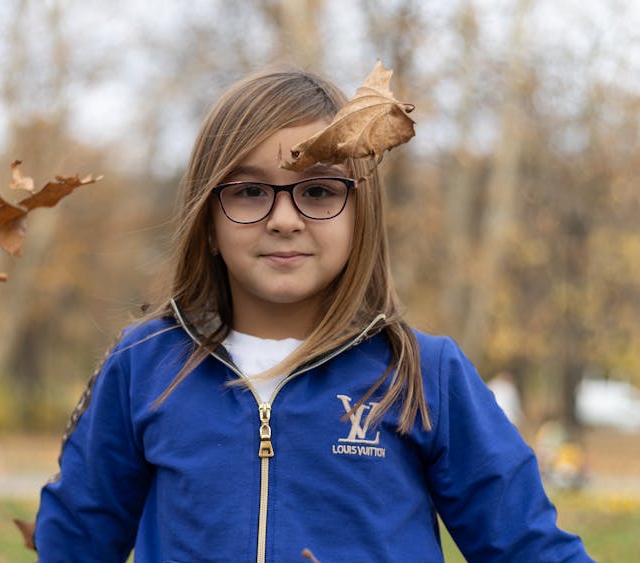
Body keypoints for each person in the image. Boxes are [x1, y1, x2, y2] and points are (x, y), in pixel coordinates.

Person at [33, 67, 594, 562]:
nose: (284, 219)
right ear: (207, 219)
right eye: (251, 191)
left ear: (360, 215)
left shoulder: (423, 373)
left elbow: (528, 546)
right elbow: (75, 544)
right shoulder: (143, 365)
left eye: (320, 192)